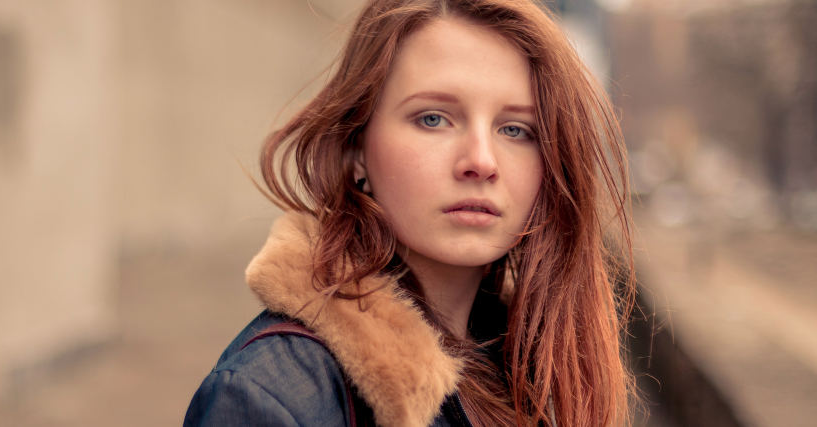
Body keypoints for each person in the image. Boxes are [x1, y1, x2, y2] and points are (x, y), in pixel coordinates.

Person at [184, 0, 634, 426]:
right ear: (356, 148)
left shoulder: (526, 361)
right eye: (433, 118)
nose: (482, 161)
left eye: (515, 129)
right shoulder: (271, 397)